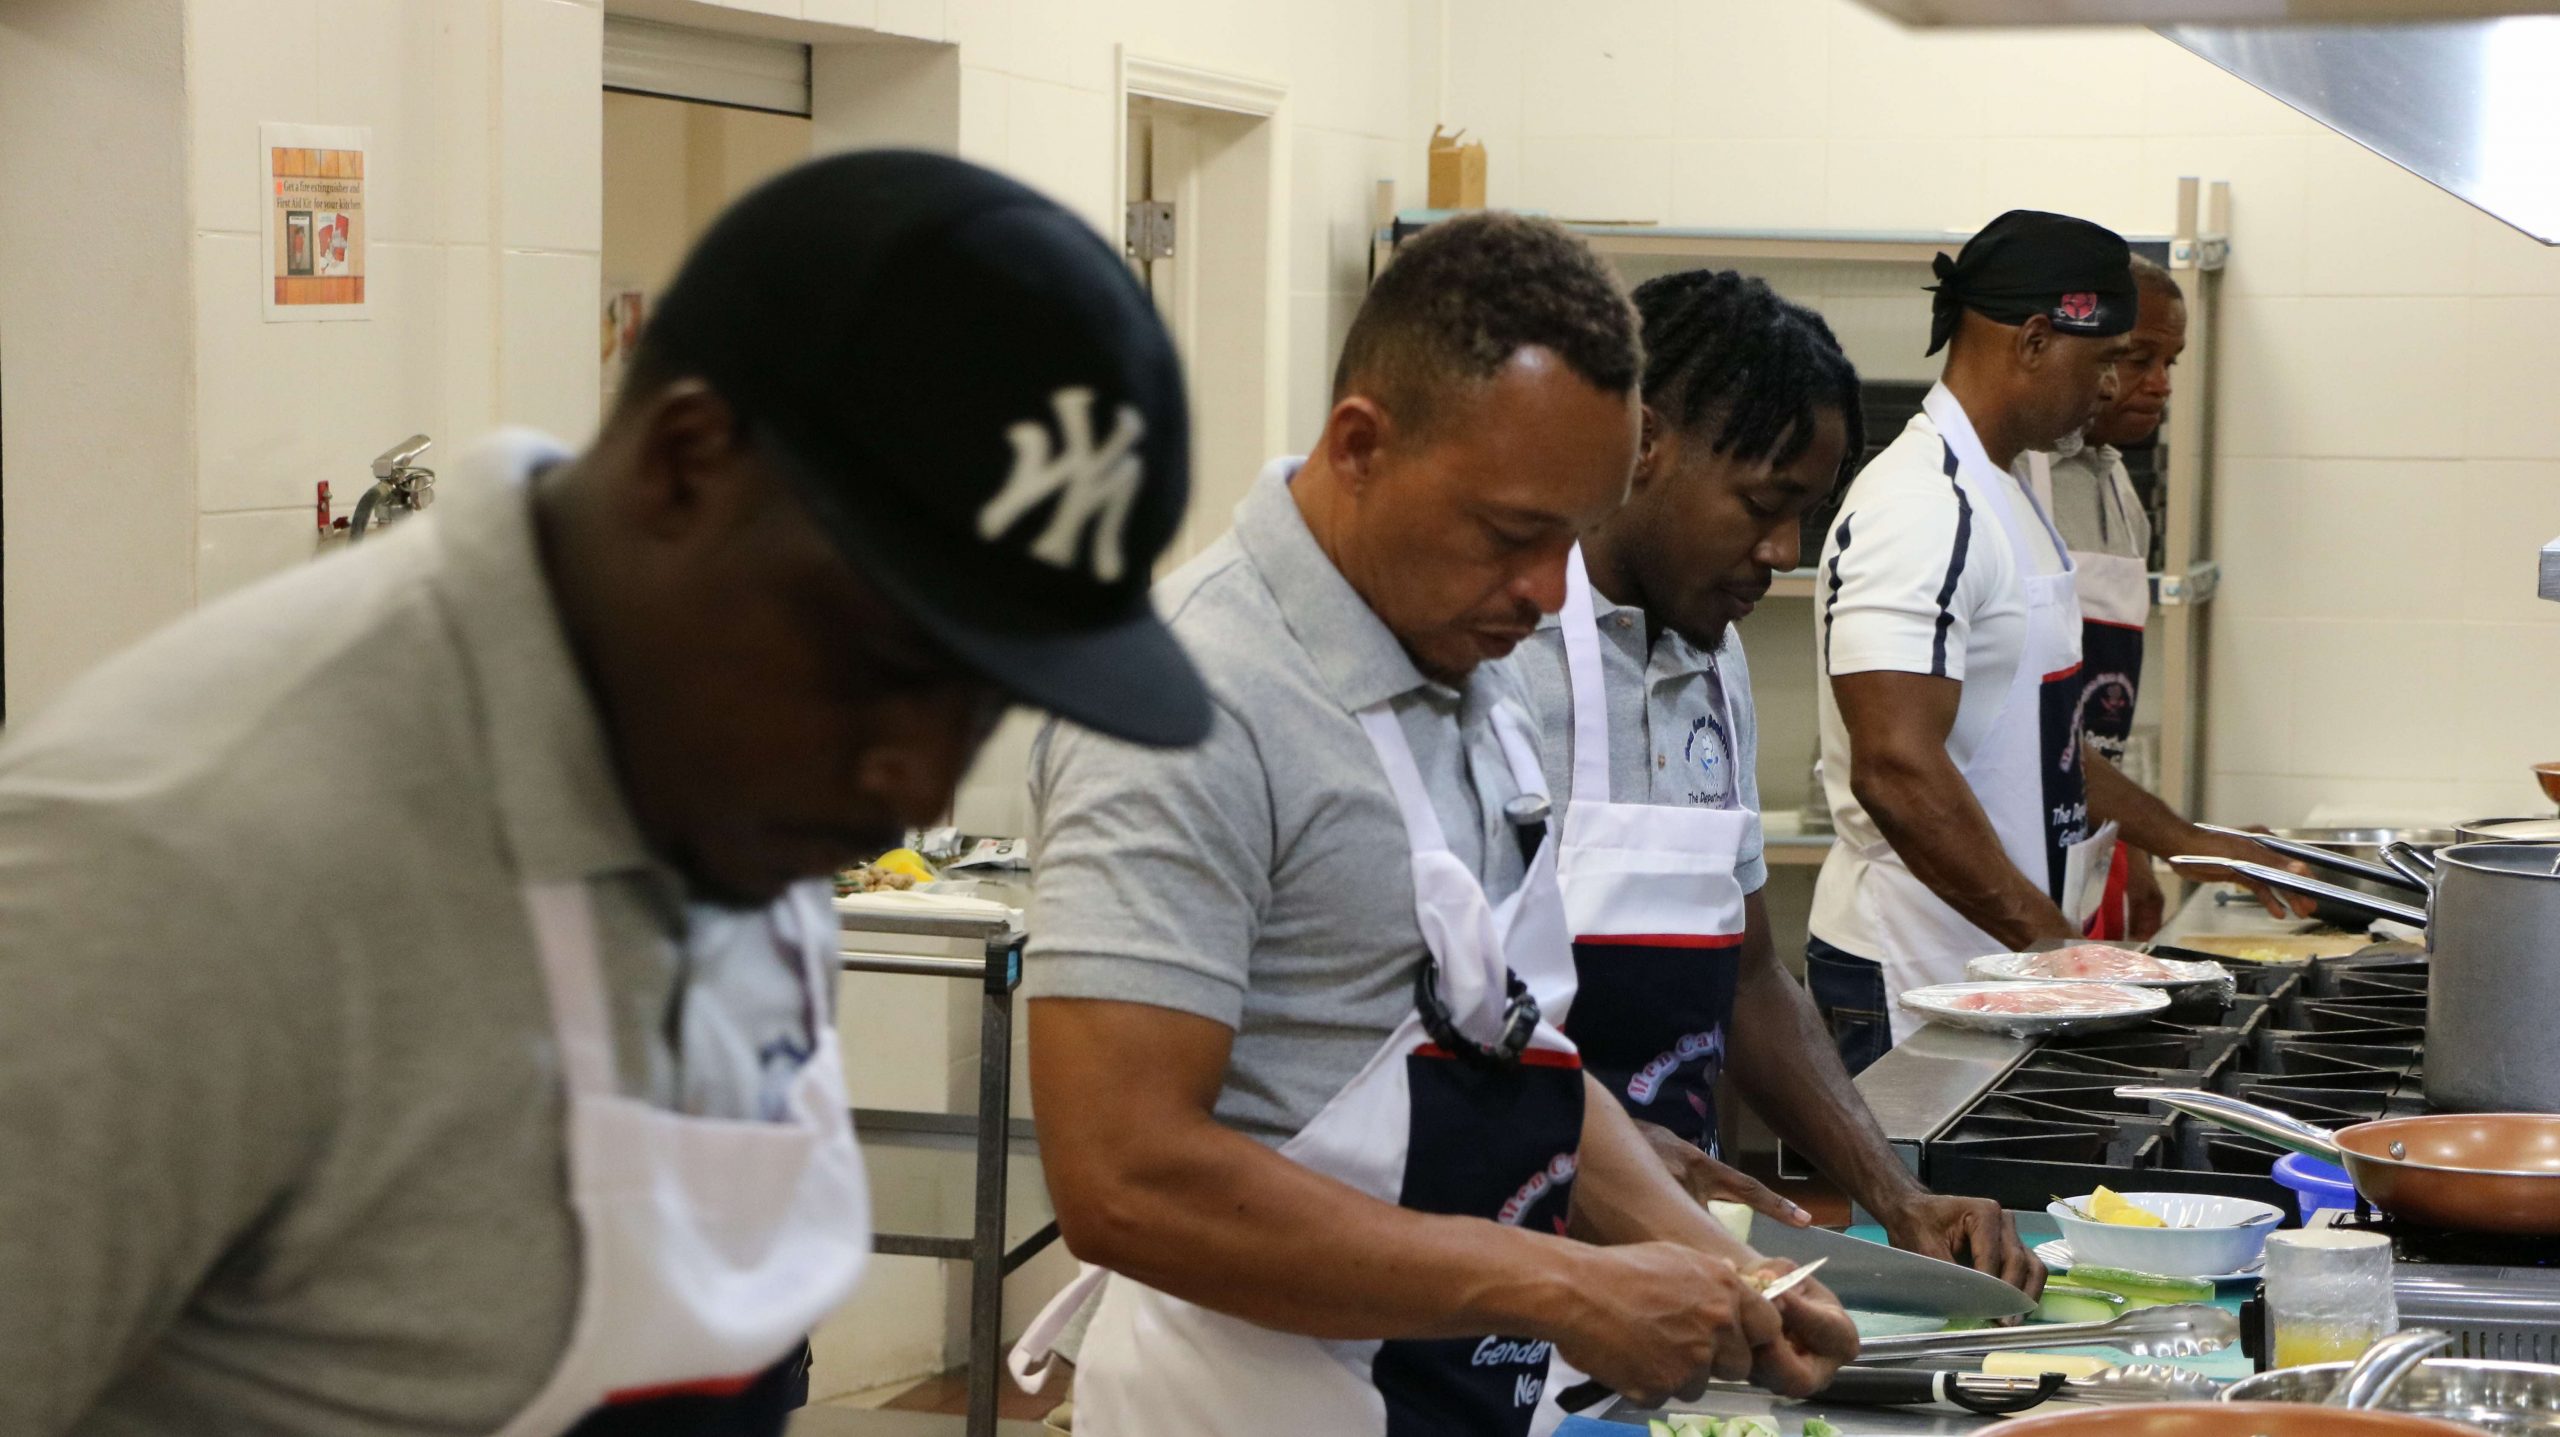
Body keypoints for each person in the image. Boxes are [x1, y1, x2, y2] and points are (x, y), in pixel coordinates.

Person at [0, 152, 1211, 1437]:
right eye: (880, 663)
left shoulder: (743, 790)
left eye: (974, 696)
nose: (909, 777)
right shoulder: (176, 868)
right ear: (685, 468)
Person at [1018, 213, 1858, 1436]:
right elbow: (1123, 1181)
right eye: (1512, 532)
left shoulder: (1469, 664)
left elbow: (1509, 1052)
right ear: (1359, 445)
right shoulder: (1188, 704)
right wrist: (1563, 1285)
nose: (1545, 588)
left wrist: (1729, 1271)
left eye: (1572, 535)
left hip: (1458, 1393)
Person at [1507, 269, 2040, 1293]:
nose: (1781, 553)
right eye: (1762, 504)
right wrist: (1591, 1159)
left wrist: (1898, 1199)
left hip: (1686, 1258)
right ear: (1644, 443)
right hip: (1515, 1244)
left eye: (1804, 513)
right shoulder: (1502, 658)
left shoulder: (1714, 655)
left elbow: (1747, 975)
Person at [1804, 210, 2295, 1072]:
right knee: (1912, 1209)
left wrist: (2180, 839)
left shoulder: (2008, 498)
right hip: (1918, 968)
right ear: (2034, 341)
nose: (2113, 388)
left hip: (1995, 962)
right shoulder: (1922, 508)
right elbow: (1893, 766)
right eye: (2105, 360)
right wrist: (2058, 946)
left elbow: (2045, 746)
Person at [2017, 255, 2186, 940]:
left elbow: (2101, 724)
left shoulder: (2120, 492)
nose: (2159, 385)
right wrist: (2185, 836)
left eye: (2171, 364)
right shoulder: (2014, 483)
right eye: (2138, 357)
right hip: (2005, 853)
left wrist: (2132, 849)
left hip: (2083, 841)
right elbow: (2026, 725)